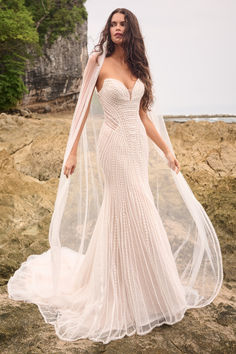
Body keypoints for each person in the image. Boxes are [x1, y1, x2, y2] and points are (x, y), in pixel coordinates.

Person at [8, 8, 223, 345]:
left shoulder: (138, 66)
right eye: (113, 23)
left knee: (139, 206)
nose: (118, 28)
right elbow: (80, 112)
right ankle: (120, 292)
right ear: (108, 28)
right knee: (129, 205)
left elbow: (143, 116)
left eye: (123, 24)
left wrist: (167, 150)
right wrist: (73, 151)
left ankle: (150, 289)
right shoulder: (97, 61)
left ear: (131, 29)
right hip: (112, 146)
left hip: (137, 145)